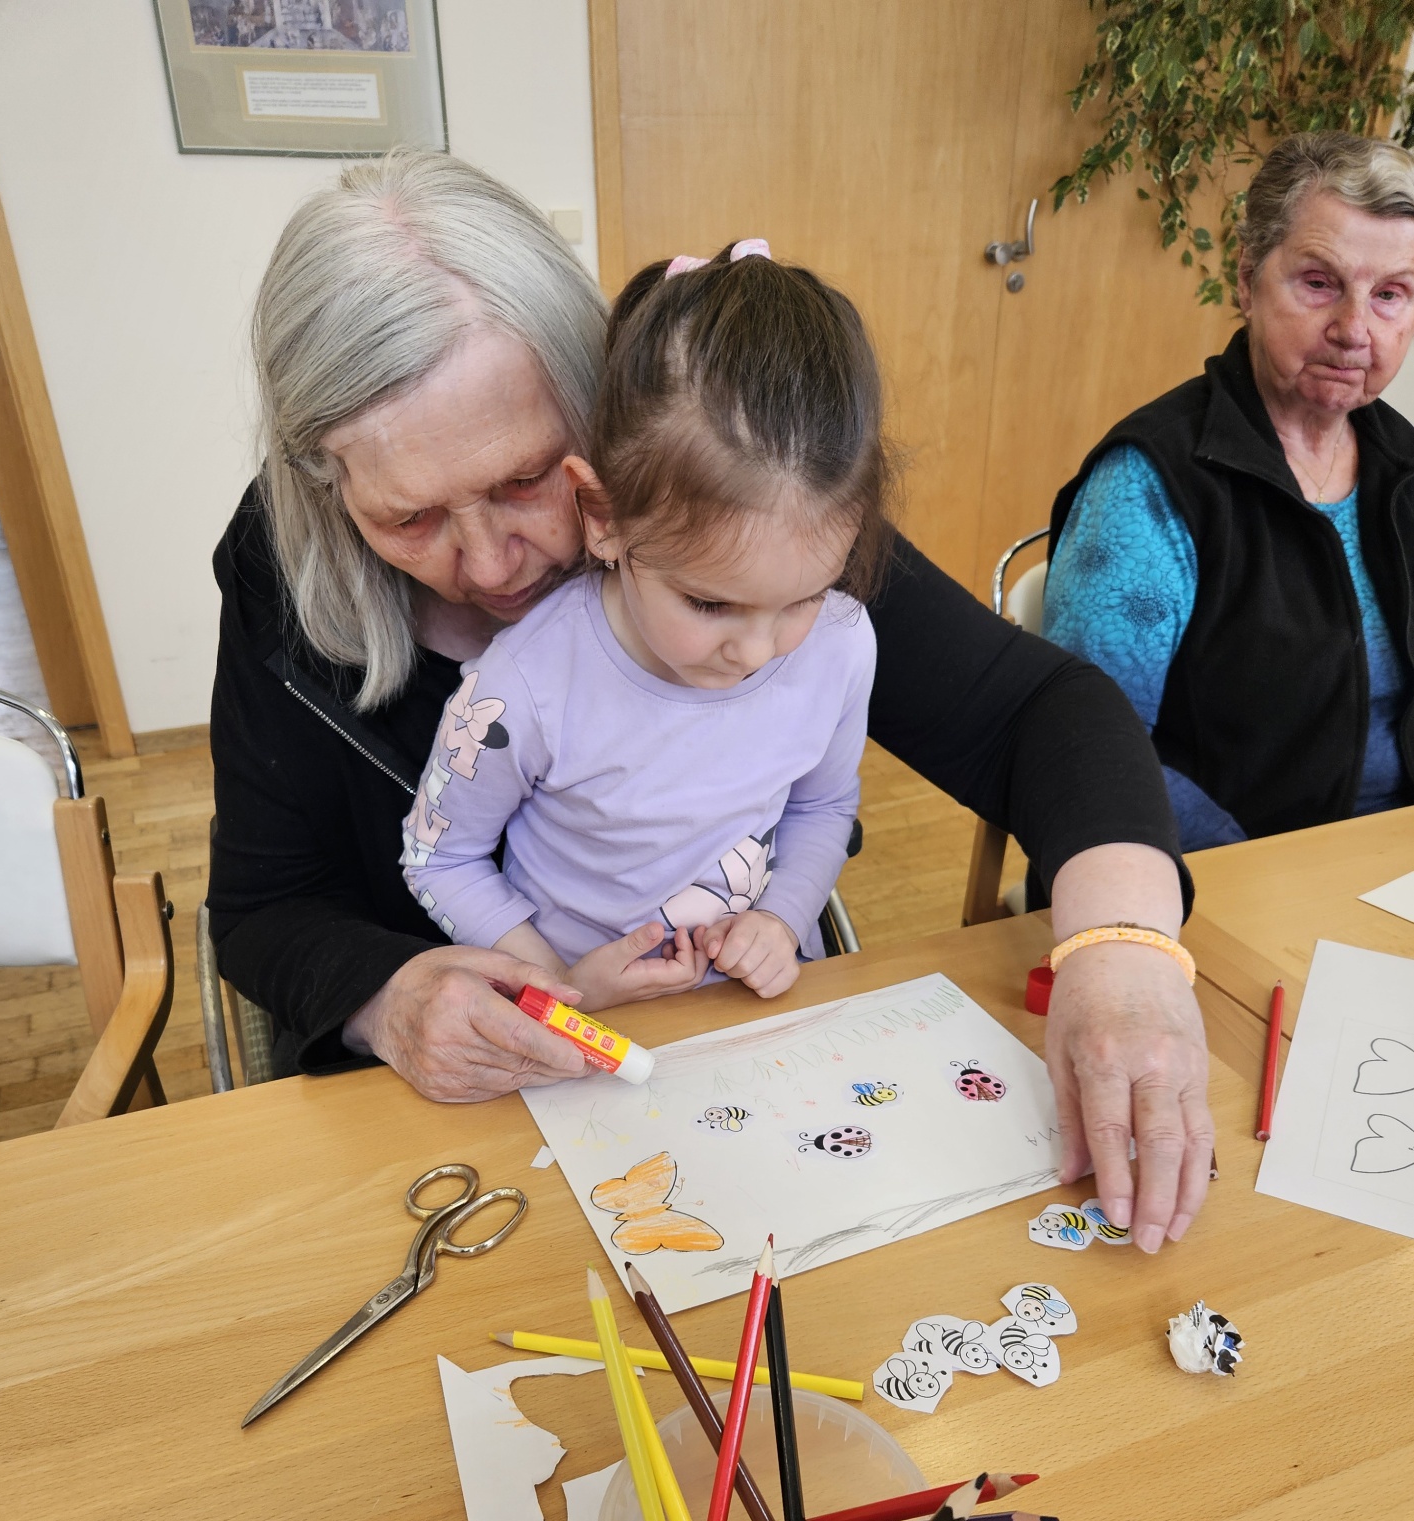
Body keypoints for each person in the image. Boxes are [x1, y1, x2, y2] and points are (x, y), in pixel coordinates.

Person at [209, 150, 1212, 1252]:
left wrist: (1123, 953)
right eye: (408, 519)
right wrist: (390, 999)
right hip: (453, 1115)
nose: (491, 564)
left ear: (600, 420)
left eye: (524, 480)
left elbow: (1040, 710)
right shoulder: (281, 574)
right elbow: (263, 908)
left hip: (734, 1055)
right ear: (327, 488)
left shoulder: (715, 487)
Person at [402, 239, 885, 1008]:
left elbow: (822, 806)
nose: (758, 650)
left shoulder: (841, 644)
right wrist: (558, 986)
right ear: (602, 517)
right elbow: (440, 859)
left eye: (804, 597)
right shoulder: (520, 689)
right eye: (709, 604)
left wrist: (781, 918)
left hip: (754, 1019)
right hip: (584, 1033)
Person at [1044, 132, 1414, 851]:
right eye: (1319, 283)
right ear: (1246, 280)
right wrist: (1259, 875)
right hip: (1221, 867)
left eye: (1389, 295)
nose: (1354, 330)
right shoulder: (1151, 484)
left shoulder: (1403, 465)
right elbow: (1089, 749)